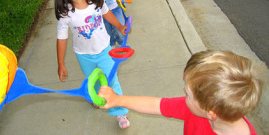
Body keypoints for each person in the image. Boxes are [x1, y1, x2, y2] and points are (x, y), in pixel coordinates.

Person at [98, 50, 263, 134]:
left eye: (188, 94)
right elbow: (157, 105)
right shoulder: (201, 108)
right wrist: (117, 100)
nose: (184, 91)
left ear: (211, 113)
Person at [54, 0, 130, 129]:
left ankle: (120, 112)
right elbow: (61, 38)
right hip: (83, 55)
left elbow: (107, 13)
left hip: (105, 51)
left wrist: (119, 26)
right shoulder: (65, 13)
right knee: (93, 80)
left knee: (111, 81)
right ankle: (97, 98)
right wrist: (60, 63)